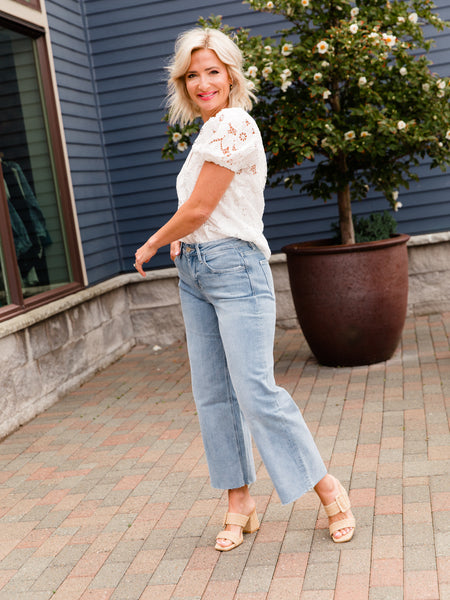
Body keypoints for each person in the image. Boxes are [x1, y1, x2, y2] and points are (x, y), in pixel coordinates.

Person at [134, 27, 355, 551]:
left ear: (231, 74)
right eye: (193, 75)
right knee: (213, 393)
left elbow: (201, 210)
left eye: (213, 71)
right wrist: (182, 243)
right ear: (182, 84)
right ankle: (240, 502)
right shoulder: (207, 132)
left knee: (256, 391)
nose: (203, 82)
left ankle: (327, 489)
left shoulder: (233, 124)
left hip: (236, 272)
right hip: (196, 271)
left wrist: (153, 242)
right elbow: (206, 214)